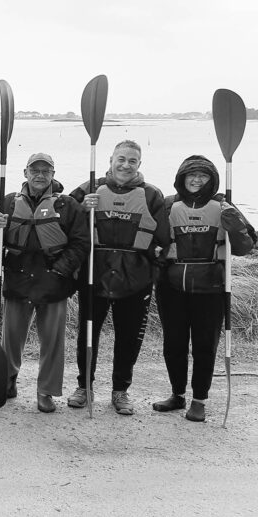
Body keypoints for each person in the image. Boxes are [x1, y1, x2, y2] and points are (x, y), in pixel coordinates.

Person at [70, 140, 169, 415]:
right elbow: (63, 217)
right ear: (111, 160)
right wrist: (81, 207)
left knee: (128, 337)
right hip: (95, 274)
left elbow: (163, 238)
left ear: (139, 164)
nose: (126, 165)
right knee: (87, 334)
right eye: (121, 159)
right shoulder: (90, 188)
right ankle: (84, 386)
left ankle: (120, 390)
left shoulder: (151, 195)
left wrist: (153, 264)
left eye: (132, 161)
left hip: (135, 278)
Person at [153, 155, 255, 422]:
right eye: (192, 174)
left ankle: (199, 400)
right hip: (172, 287)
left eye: (203, 175)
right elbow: (153, 239)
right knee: (174, 343)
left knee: (204, 345)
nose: (197, 180)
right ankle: (177, 394)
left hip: (210, 287)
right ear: (181, 178)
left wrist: (235, 227)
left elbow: (246, 247)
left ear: (212, 179)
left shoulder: (223, 206)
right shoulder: (168, 205)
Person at [0, 153, 90, 412]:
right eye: (35, 170)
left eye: (46, 171)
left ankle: (46, 391)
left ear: (53, 175)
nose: (40, 175)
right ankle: (8, 379)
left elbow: (81, 243)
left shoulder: (67, 206)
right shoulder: (9, 202)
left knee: (53, 342)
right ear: (25, 173)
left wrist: (60, 271)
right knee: (11, 337)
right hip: (18, 278)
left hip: (53, 281)